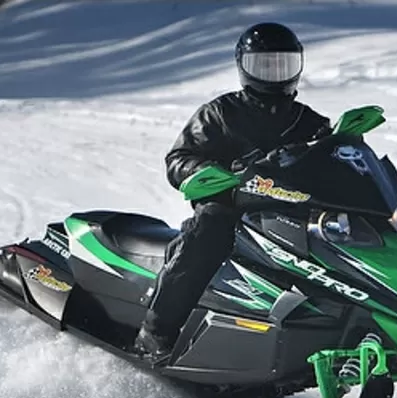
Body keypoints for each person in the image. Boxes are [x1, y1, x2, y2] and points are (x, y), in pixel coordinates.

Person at [134, 22, 333, 357]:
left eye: (282, 64)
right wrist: (213, 175)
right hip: (233, 209)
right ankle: (156, 332)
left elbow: (333, 157)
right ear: (243, 66)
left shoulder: (308, 121)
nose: (273, 74)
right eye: (263, 65)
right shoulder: (221, 113)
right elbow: (179, 158)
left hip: (293, 211)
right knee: (209, 229)